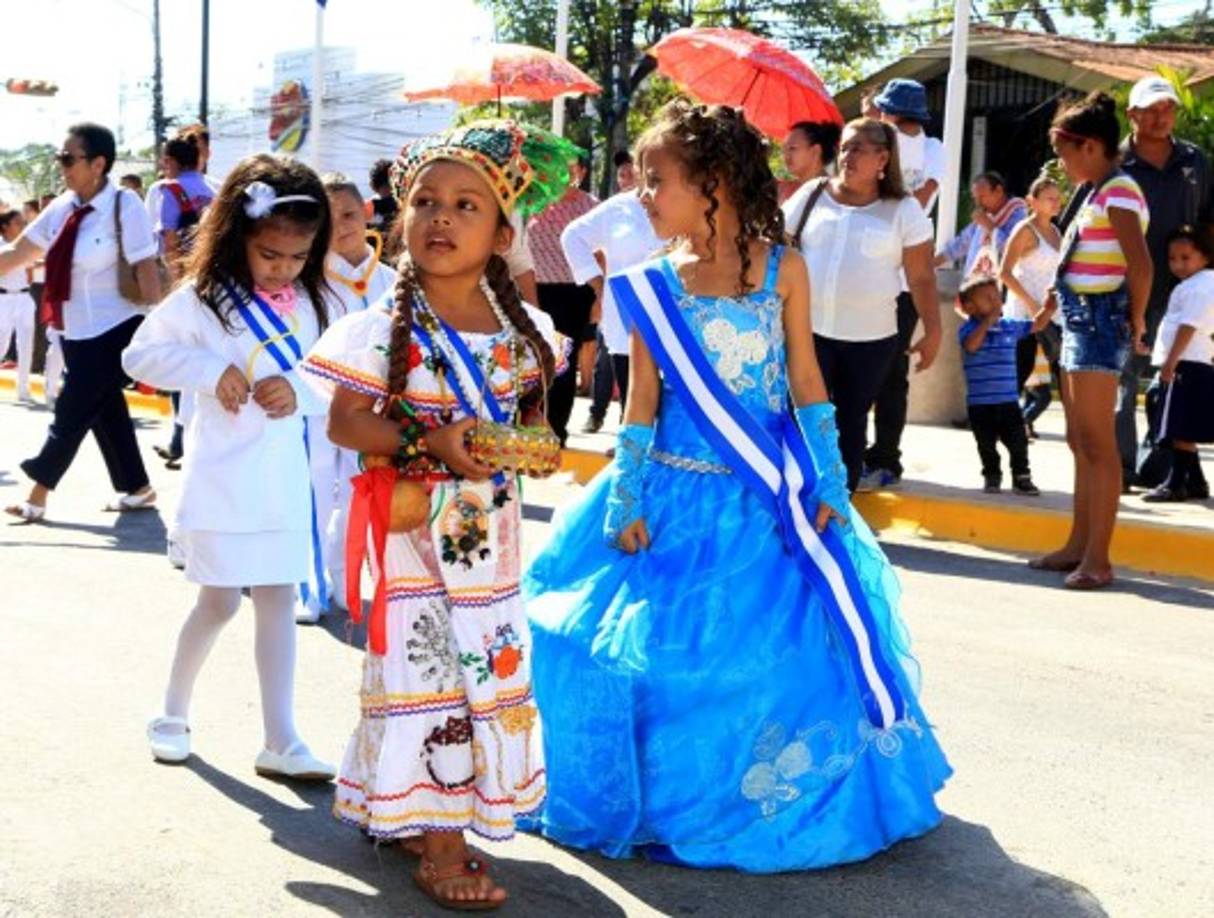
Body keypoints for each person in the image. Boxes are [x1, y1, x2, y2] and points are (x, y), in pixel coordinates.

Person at [523, 100, 949, 872]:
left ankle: (762, 800)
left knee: (775, 663)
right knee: (608, 647)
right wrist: (624, 497)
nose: (642, 196)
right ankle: (650, 797)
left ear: (714, 182)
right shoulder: (649, 282)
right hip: (669, 494)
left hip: (764, 497)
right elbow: (641, 401)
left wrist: (830, 477)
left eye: (657, 180)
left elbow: (807, 380)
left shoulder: (785, 270)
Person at [302, 121, 569, 911]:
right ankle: (442, 843)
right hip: (413, 539)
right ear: (401, 219)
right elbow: (347, 423)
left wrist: (525, 446)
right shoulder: (379, 330)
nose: (440, 217)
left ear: (502, 236)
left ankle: (409, 811)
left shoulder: (525, 334)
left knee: (483, 674)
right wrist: (431, 441)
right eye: (425, 202)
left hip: (492, 550)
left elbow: (531, 419)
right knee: (428, 679)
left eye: (465, 205)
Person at [123, 154, 337, 780]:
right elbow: (140, 355)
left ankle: (281, 739)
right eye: (270, 253)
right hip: (221, 479)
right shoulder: (202, 300)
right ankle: (171, 712)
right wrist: (208, 371)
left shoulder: (314, 303)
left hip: (282, 483)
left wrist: (299, 391)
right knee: (217, 603)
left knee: (277, 600)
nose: (283, 267)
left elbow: (337, 377)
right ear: (237, 233)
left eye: (297, 256)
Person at [0, 122, 160, 522]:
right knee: (105, 409)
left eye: (68, 159)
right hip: (74, 329)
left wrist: (160, 325)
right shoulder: (63, 207)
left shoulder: (125, 205)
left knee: (72, 410)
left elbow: (146, 267)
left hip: (118, 325)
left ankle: (37, 494)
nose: (62, 166)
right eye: (60, 158)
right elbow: (18, 253)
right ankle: (137, 487)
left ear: (98, 164)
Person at [1031, 92, 1152, 590]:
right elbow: (1082, 259)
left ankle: (1098, 559)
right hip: (1080, 319)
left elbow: (1140, 264)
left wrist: (1136, 320)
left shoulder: (1119, 191)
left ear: (1091, 146)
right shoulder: (1097, 191)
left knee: (1099, 444)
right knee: (1080, 440)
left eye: (1065, 153)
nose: (1061, 164)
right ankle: (1078, 545)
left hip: (1102, 320)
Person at [783, 117, 941, 491]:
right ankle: (796, 504)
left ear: (883, 158)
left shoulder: (904, 209)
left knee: (849, 424)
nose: (846, 157)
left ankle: (838, 507)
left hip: (870, 342)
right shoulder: (812, 194)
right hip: (807, 332)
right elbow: (778, 246)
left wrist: (933, 330)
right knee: (801, 419)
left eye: (857, 149)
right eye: (844, 148)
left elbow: (921, 277)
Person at [292, 172, 398, 624]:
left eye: (350, 215)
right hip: (317, 408)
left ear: (368, 212)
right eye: (329, 220)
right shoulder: (305, 283)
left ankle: (341, 578)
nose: (342, 227)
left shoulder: (394, 281)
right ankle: (308, 586)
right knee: (315, 493)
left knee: (357, 497)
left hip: (368, 416)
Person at [1118, 75, 1213, 487]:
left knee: (1171, 383)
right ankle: (1118, 470)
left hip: (1184, 295)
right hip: (1125, 291)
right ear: (1132, 114)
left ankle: (1162, 470)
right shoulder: (1114, 164)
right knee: (1121, 381)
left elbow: (1209, 220)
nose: (1161, 117)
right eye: (1152, 109)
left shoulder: (1195, 160)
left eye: (1168, 108)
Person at [861, 79, 947, 490]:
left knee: (874, 370)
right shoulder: (933, 149)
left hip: (887, 272)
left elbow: (911, 198)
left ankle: (878, 456)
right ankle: (878, 455)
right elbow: (923, 197)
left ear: (889, 111)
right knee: (887, 371)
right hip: (900, 275)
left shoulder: (889, 143)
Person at [561, 163, 663, 434]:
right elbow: (572, 237)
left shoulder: (689, 203)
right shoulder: (617, 208)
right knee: (632, 398)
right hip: (626, 321)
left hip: (679, 318)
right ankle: (629, 447)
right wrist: (598, 284)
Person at [145, 133, 220, 470]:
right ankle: (182, 440)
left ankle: (183, 438)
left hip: (186, 282)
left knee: (181, 357)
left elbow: (169, 238)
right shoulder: (215, 191)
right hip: (216, 282)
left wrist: (176, 281)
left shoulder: (169, 190)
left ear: (171, 161)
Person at [956, 274, 1051, 495]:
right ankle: (992, 476)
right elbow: (971, 346)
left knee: (1018, 442)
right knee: (986, 444)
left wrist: (1049, 306)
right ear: (969, 307)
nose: (996, 302)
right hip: (980, 404)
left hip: (1008, 401)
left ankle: (1021, 477)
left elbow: (1038, 324)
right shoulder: (968, 329)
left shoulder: (1009, 326)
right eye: (988, 298)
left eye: (998, 297)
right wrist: (986, 323)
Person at [528, 156, 598, 444]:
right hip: (535, 292)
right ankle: (528, 426)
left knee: (563, 363)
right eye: (558, 168)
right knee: (533, 361)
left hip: (575, 294)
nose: (563, 174)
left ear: (581, 171)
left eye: (570, 169)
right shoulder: (534, 203)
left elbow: (601, 255)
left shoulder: (592, 208)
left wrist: (599, 299)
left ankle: (556, 430)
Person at [1141, 225, 1214, 502]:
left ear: (1205, 257)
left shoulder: (1199, 287)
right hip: (1188, 360)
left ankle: (1174, 484)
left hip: (1186, 362)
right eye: (1173, 259)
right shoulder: (1196, 284)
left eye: (1186, 258)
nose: (1178, 264)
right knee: (1181, 425)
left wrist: (1171, 362)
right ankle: (1196, 482)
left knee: (1179, 428)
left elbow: (1188, 326)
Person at [999, 175, 1063, 437]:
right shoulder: (1024, 230)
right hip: (1025, 312)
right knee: (1018, 371)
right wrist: (1032, 305)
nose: (1056, 203)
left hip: (1052, 312)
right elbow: (1004, 272)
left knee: (1061, 369)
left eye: (1058, 198)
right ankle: (1006, 428)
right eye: (1049, 198)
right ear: (1032, 201)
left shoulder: (1057, 231)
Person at [0, 210, 34, 401]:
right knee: (1, 343)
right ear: (5, 226)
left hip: (24, 297)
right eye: (17, 223)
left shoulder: (24, 246)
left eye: (23, 222)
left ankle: (23, 388)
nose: (22, 226)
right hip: (3, 298)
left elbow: (29, 271)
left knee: (26, 344)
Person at [778, 120, 841, 203]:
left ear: (815, 151)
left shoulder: (836, 192)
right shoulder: (786, 190)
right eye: (784, 150)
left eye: (792, 148)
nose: (785, 155)